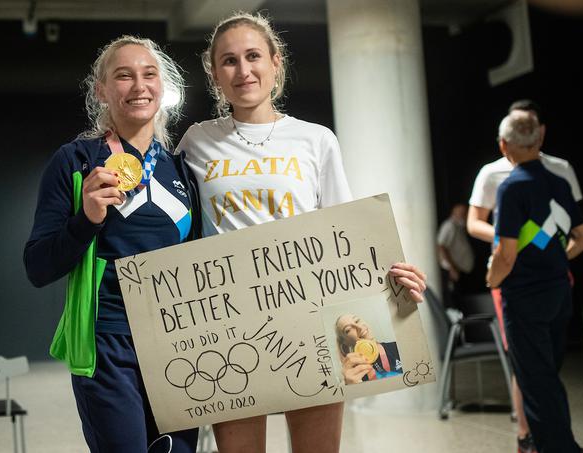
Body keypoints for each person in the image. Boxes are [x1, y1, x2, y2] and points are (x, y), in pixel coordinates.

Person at [175, 12, 427, 453]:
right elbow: (172, 225)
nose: (243, 70)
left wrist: (394, 279)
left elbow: (344, 233)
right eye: (229, 61)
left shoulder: (315, 139)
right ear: (215, 75)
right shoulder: (196, 141)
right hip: (231, 324)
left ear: (275, 63)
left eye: (253, 56)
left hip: (310, 315)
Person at [24, 36, 201, 453]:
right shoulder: (76, 161)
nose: (138, 85)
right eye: (123, 75)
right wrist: (86, 219)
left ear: (163, 88)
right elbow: (37, 267)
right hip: (109, 345)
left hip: (177, 342)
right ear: (101, 90)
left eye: (149, 74)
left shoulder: (181, 169)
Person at [467, 99, 583, 453]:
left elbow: (510, 251)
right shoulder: (511, 176)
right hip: (545, 280)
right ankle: (531, 437)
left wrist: (503, 267)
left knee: (536, 372)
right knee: (537, 369)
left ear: (505, 143)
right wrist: (531, 248)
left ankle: (551, 444)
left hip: (524, 282)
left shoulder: (526, 181)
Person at [335, 313, 402, 384]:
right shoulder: (354, 375)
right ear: (346, 342)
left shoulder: (397, 346)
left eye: (357, 321)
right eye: (348, 330)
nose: (359, 327)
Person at [436, 203, 474, 307]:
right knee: (454, 304)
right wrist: (452, 268)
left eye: (465, 213)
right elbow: (441, 246)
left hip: (460, 272)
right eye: (462, 213)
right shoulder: (449, 225)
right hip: (452, 273)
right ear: (454, 213)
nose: (464, 216)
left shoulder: (459, 227)